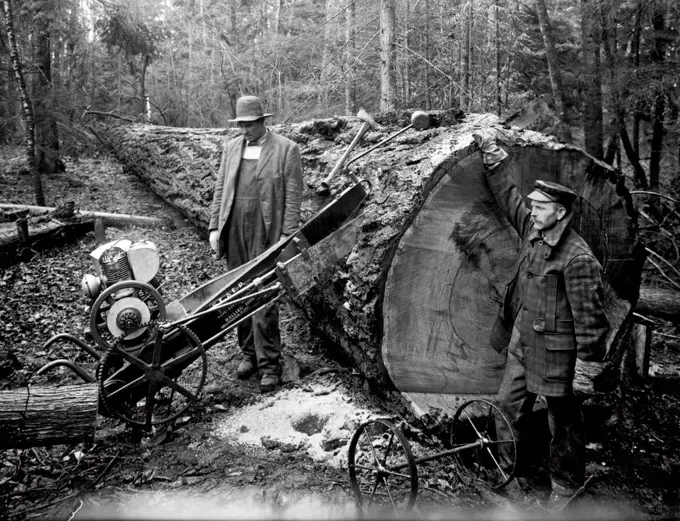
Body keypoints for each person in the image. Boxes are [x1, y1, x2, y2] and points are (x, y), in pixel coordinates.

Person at [473, 129, 610, 511]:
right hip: (522, 343)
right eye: (533, 207)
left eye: (541, 207)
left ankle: (565, 490)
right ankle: (506, 474)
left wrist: (585, 368)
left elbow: (590, 320)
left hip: (558, 355)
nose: (533, 211)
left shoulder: (577, 258)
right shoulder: (533, 231)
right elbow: (510, 198)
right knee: (506, 407)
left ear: (561, 213)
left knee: (563, 424)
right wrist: (494, 158)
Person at [209, 95, 303, 393]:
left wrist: (287, 236)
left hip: (267, 232)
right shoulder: (232, 147)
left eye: (250, 124)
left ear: (263, 122)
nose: (245, 130)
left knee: (264, 295)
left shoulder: (286, 150)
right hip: (235, 229)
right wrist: (214, 227)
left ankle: (269, 365)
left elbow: (293, 196)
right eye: (241, 124)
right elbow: (220, 188)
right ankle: (248, 354)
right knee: (238, 292)